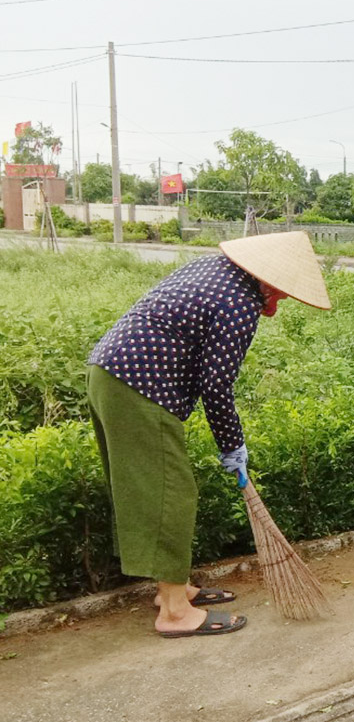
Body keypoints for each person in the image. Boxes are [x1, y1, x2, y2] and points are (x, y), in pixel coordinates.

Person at [87, 232, 331, 637]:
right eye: (284, 290)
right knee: (169, 491)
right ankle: (175, 614)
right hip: (137, 386)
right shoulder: (239, 301)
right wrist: (233, 445)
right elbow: (216, 386)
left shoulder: (215, 269)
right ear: (268, 278)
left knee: (148, 488)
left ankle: (173, 589)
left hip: (110, 373)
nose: (283, 299)